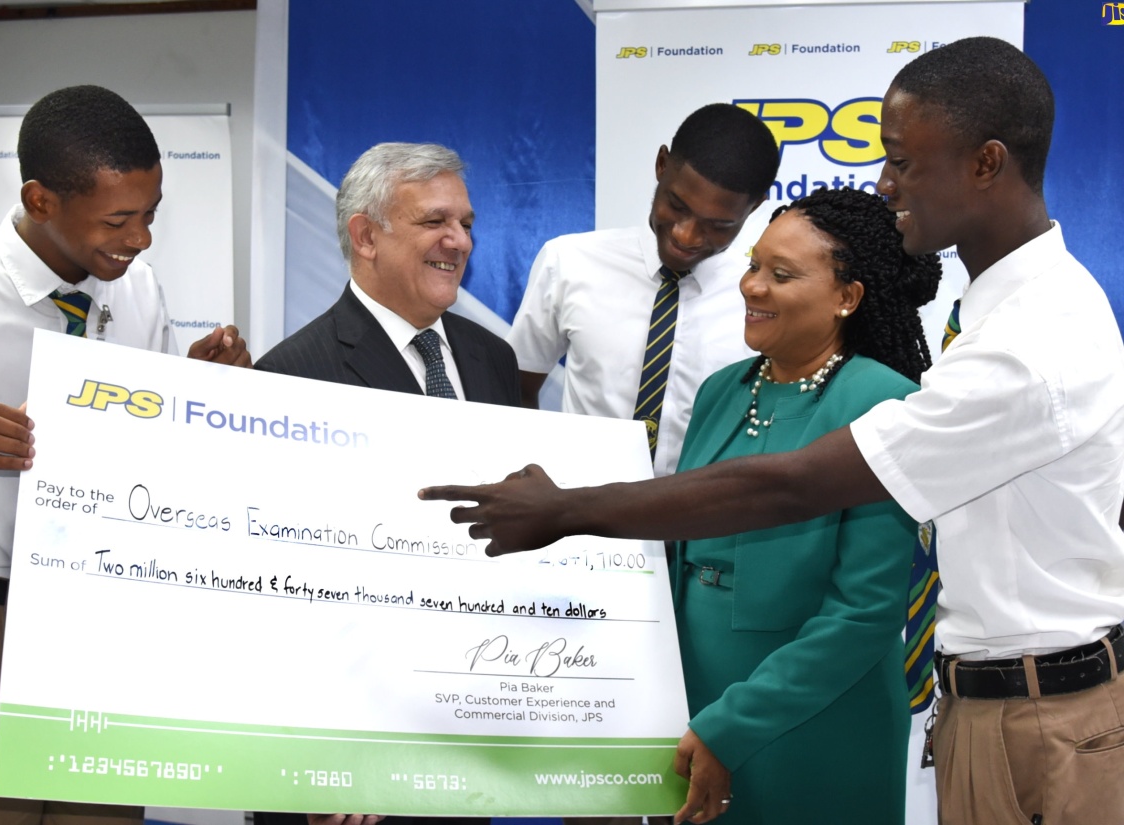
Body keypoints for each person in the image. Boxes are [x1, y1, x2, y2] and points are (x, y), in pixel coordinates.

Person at [421, 37, 1124, 825]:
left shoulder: (1033, 338)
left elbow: (794, 488)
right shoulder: (984, 315)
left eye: (903, 161)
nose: (886, 181)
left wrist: (569, 509)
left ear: (986, 164)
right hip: (980, 703)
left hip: (1033, 716)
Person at [0, 85, 250, 825]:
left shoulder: (138, 292)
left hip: (108, 621)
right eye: (119, 219)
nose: (140, 240)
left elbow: (157, 464)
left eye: (150, 215)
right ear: (40, 201)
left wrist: (201, 398)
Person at [254, 142, 518, 825]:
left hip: (466, 729)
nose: (458, 240)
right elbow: (274, 584)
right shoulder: (289, 378)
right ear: (365, 236)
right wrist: (325, 753)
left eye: (465, 222)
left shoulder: (494, 359)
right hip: (349, 757)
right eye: (435, 221)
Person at [670, 186, 940, 824]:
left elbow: (862, 615)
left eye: (781, 274)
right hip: (690, 716)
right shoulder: (718, 391)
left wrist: (729, 728)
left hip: (818, 728)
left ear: (848, 298)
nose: (752, 287)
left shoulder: (884, 404)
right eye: (753, 265)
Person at [508, 103, 779, 477]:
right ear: (661, 164)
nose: (686, 235)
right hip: (581, 516)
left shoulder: (764, 298)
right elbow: (517, 388)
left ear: (755, 207)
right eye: (676, 205)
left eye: (717, 225)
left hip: (705, 523)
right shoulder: (569, 261)